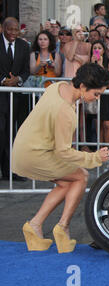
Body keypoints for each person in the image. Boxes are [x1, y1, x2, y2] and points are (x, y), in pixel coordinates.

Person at [11, 63, 109, 253]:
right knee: (81, 177)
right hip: (34, 154)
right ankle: (63, 227)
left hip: (25, 148)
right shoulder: (66, 112)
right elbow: (63, 152)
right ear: (83, 87)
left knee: (67, 183)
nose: (96, 99)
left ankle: (35, 225)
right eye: (96, 94)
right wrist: (95, 158)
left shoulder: (58, 86)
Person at [0, 17, 30, 181]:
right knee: (1, 132)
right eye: (10, 29)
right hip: (0, 95)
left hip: (15, 97)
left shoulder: (24, 46)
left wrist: (17, 79)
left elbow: (26, 70)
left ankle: (10, 170)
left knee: (12, 133)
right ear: (3, 28)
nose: (12, 33)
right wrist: (3, 81)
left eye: (15, 30)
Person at [89, 40, 109, 144]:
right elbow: (88, 77)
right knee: (98, 123)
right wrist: (92, 63)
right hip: (94, 94)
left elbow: (108, 76)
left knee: (107, 124)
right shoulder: (91, 62)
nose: (97, 50)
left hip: (106, 94)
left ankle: (107, 147)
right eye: (95, 48)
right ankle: (100, 148)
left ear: (104, 50)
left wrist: (100, 64)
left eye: (99, 48)